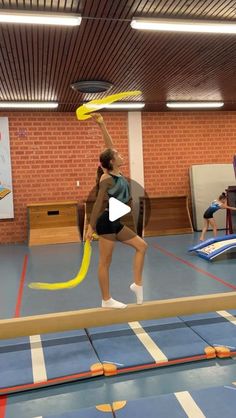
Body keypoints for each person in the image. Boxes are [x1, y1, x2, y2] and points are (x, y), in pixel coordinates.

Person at [86, 113, 148, 309]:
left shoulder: (116, 171)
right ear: (112, 162)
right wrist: (90, 227)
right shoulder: (107, 178)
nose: (122, 155)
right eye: (118, 155)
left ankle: (137, 285)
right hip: (106, 222)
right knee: (105, 262)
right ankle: (106, 300)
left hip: (115, 220)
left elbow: (108, 146)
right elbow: (97, 203)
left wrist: (102, 124)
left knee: (142, 246)